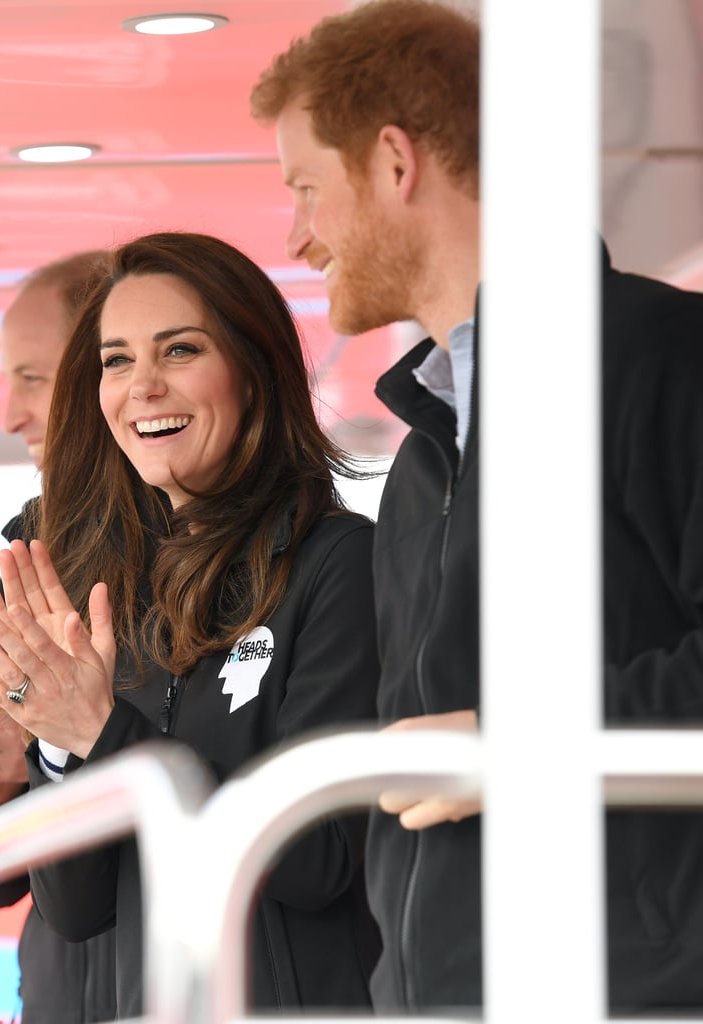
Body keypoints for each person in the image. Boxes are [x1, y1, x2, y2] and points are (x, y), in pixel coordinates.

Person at [250, 0, 703, 1014]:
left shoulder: (660, 359)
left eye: (308, 188)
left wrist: (516, 744)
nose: (298, 235)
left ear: (395, 163)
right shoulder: (420, 463)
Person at [0, 231, 383, 1016]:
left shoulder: (340, 561)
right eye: (116, 360)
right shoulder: (106, 593)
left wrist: (102, 732)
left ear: (253, 375)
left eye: (179, 350)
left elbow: (323, 857)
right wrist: (57, 741)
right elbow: (78, 909)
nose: (142, 387)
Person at [0, 250, 119, 1024]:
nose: (10, 415)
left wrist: (70, 748)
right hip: (57, 997)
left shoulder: (247, 556)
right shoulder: (36, 558)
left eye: (32, 379)